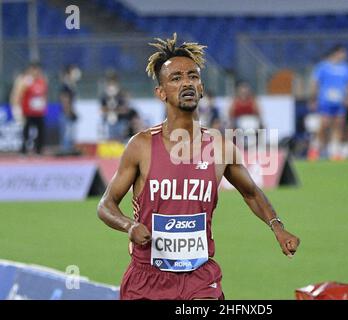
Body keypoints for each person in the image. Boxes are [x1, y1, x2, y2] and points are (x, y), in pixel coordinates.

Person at [97, 33, 300, 300]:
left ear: (202, 87)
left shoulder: (220, 146)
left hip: (200, 277)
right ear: (161, 92)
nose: (187, 83)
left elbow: (250, 192)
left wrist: (277, 226)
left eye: (193, 76)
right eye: (176, 78)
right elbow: (106, 205)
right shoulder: (141, 146)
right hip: (147, 278)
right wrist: (129, 226)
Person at [308, 45, 348, 161]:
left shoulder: (346, 68)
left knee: (338, 125)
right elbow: (315, 82)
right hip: (325, 100)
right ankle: (315, 148)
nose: (344, 56)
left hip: (340, 101)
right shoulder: (323, 67)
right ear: (336, 53)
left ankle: (334, 151)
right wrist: (313, 98)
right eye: (342, 53)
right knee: (324, 124)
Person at [10, 61, 48, 155]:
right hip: (28, 112)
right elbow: (18, 95)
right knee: (26, 132)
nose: (36, 72)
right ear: (30, 70)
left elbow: (44, 95)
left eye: (37, 70)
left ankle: (39, 150)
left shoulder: (42, 81)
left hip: (39, 112)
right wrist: (17, 108)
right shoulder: (26, 81)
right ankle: (24, 150)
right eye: (34, 70)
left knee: (41, 132)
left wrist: (44, 105)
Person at [59, 64, 82, 154]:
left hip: (69, 113)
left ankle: (68, 152)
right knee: (67, 136)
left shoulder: (71, 85)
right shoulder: (66, 85)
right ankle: (66, 154)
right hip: (66, 114)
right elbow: (64, 99)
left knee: (71, 136)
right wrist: (69, 112)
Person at [99, 70, 127, 141]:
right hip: (108, 122)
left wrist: (113, 109)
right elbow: (102, 109)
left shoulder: (121, 94)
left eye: (113, 82)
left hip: (120, 121)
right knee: (110, 140)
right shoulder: (104, 95)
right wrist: (111, 109)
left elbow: (124, 109)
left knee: (120, 140)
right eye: (110, 82)